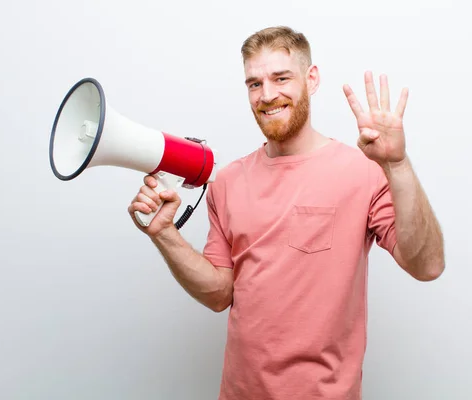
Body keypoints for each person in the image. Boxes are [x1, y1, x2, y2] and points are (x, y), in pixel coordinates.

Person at [128, 26, 445, 400]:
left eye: (281, 78)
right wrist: (164, 233)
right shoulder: (228, 181)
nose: (267, 95)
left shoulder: (363, 171)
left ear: (311, 79)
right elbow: (218, 295)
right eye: (254, 83)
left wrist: (398, 164)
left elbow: (427, 265)